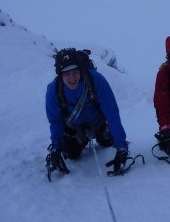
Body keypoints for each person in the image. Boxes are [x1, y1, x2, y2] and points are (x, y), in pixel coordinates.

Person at [45, 48, 129, 176]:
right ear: (60, 75)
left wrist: (121, 148)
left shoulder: (96, 81)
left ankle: (104, 133)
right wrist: (56, 148)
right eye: (67, 74)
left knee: (107, 142)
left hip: (98, 123)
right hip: (74, 129)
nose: (72, 77)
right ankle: (82, 138)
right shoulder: (54, 91)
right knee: (71, 153)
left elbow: (112, 114)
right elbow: (55, 121)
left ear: (81, 70)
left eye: (75, 72)